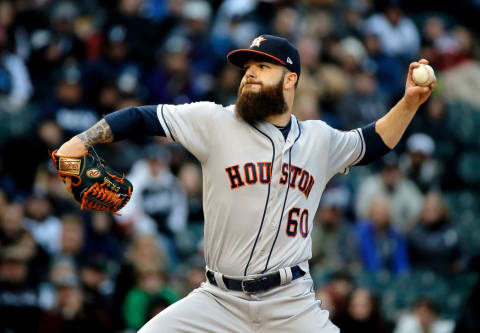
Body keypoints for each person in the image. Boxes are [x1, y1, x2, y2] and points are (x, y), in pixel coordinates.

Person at [54, 34, 435, 332]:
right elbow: (141, 117)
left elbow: (372, 143)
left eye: (263, 66)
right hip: (218, 300)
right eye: (247, 65)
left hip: (291, 303)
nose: (250, 71)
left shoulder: (320, 139)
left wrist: (410, 103)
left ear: (290, 80)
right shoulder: (215, 121)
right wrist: (81, 141)